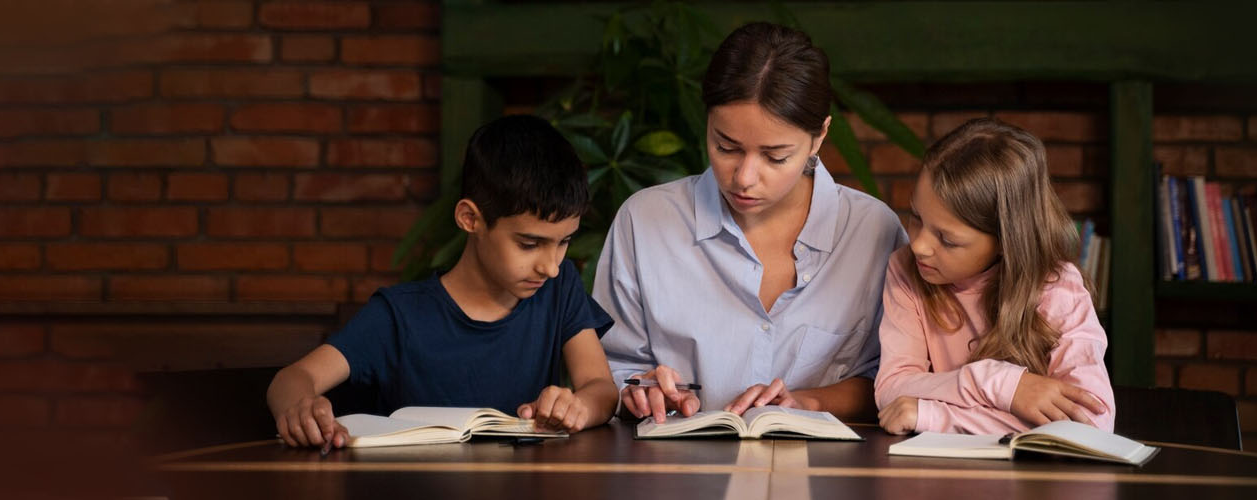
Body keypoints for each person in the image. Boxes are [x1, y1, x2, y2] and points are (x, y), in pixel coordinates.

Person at [596, 22, 907, 423]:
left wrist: (808, 401)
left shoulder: (872, 232)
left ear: (819, 137)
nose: (743, 177)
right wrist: (639, 391)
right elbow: (609, 369)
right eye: (725, 146)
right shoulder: (645, 221)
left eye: (775, 157)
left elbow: (895, 379)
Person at [266, 115, 617, 449]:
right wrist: (300, 407)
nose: (551, 266)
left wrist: (577, 407)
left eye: (564, 241)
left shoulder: (559, 288)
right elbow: (292, 378)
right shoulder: (398, 315)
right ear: (470, 219)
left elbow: (600, 387)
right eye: (529, 244)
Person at [873, 118, 1116, 435]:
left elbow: (1091, 425)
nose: (918, 245)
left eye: (947, 239)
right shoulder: (905, 269)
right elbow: (891, 389)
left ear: (1005, 242)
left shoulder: (1058, 289)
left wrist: (934, 416)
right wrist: (1001, 385)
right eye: (916, 217)